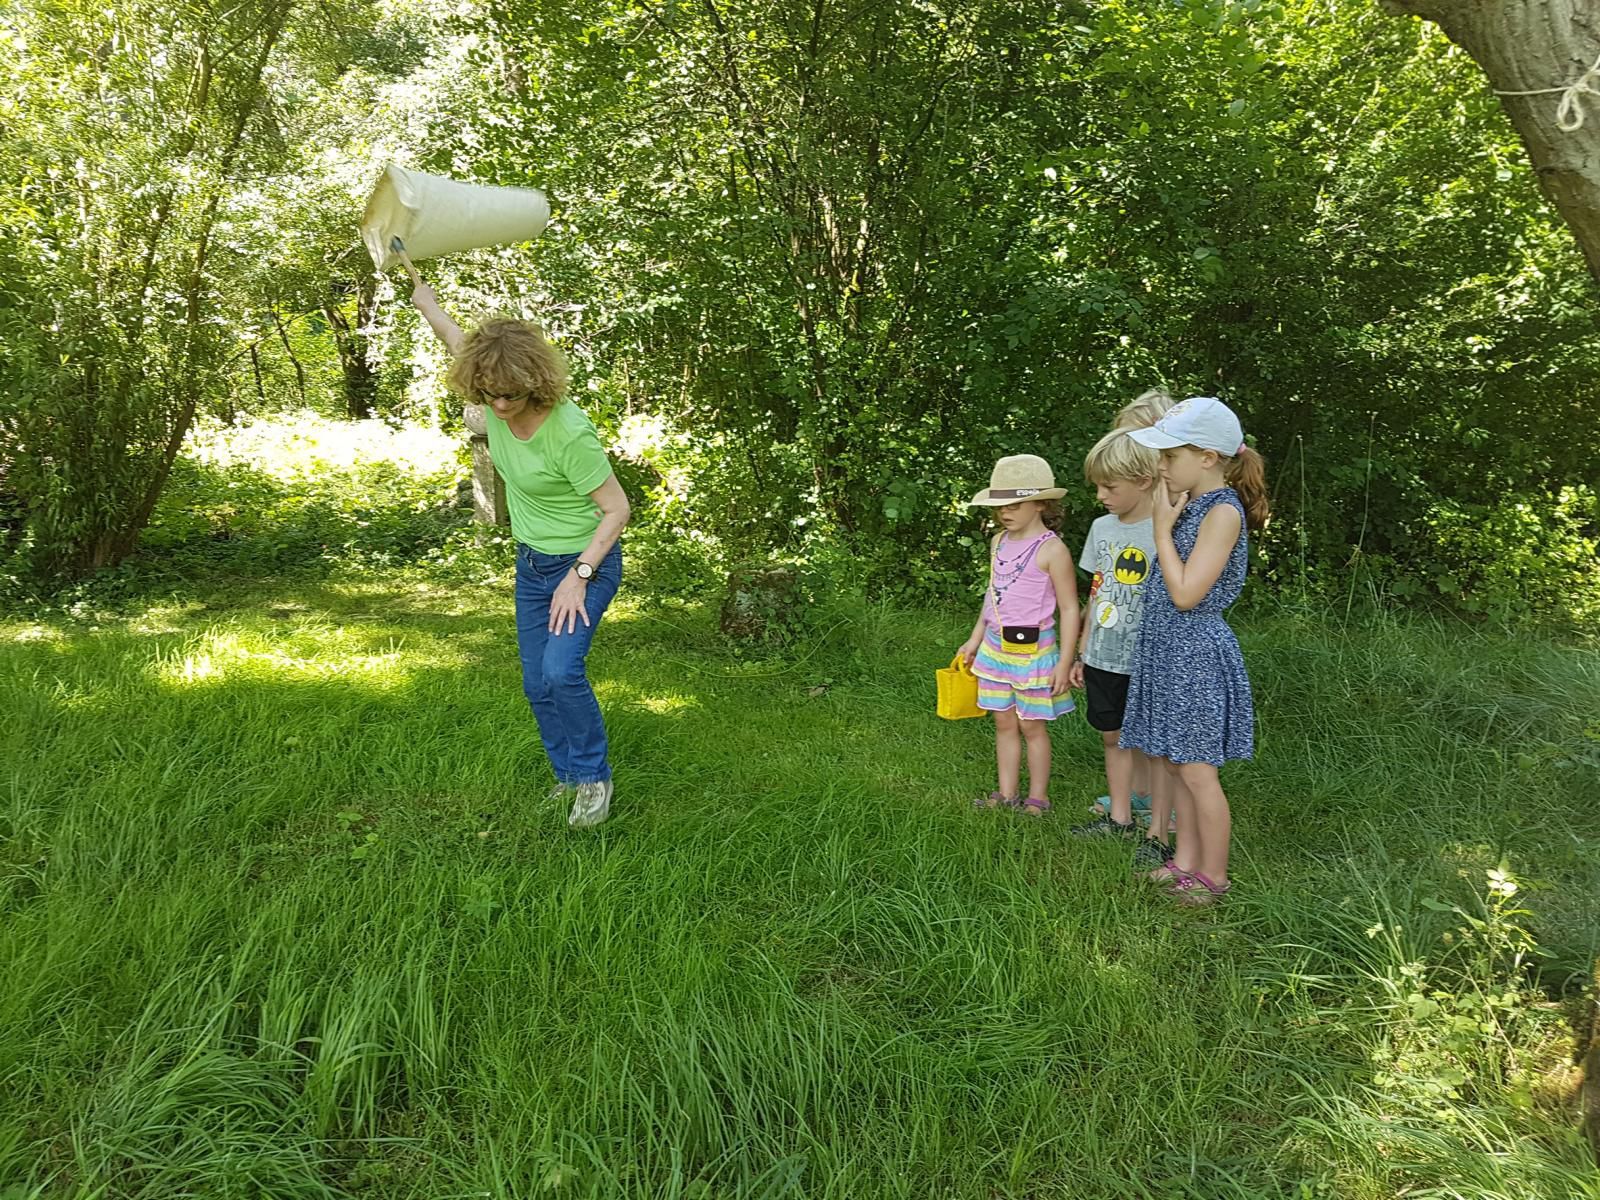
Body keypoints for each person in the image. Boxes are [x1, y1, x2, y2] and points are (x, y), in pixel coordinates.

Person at [410, 275, 631, 829]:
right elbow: (457, 340)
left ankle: (593, 779)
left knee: (560, 672)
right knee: (535, 684)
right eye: (489, 394)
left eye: (511, 394)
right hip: (532, 565)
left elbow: (617, 510)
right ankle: (568, 779)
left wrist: (579, 574)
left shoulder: (568, 432)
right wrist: (428, 304)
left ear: (535, 382)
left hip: (584, 562)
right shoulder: (491, 388)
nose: (501, 405)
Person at [1119, 397, 1269, 904]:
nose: (1161, 467)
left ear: (1207, 457)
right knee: (1179, 762)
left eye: (1169, 456)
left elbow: (1187, 594)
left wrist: (1160, 530)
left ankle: (1214, 876)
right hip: (1167, 648)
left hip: (1195, 654)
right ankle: (1184, 861)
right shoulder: (1194, 503)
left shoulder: (1223, 512)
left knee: (1199, 771)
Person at [1065, 427, 1173, 869]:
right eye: (1098, 486)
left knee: (1155, 746)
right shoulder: (1101, 528)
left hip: (1148, 657)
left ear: (1144, 481)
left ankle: (1159, 831)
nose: (1101, 495)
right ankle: (1120, 816)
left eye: (1110, 486)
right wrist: (1081, 647)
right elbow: (1097, 588)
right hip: (1103, 654)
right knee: (1112, 736)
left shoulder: (1166, 530)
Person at [956, 455, 1081, 815]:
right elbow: (992, 595)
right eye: (1000, 506)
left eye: (1014, 505)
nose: (1005, 513)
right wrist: (975, 638)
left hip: (1035, 654)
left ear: (1041, 502)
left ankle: (1037, 798)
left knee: (1032, 727)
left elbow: (1070, 608)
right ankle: (1006, 793)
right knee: (1003, 721)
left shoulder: (1052, 549)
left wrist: (1065, 660)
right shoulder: (998, 542)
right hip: (996, 651)